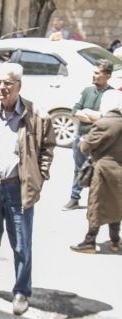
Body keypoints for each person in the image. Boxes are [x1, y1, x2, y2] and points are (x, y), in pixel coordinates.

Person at [0, 62, 56, 316]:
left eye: (7, 83)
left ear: (19, 85)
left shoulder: (37, 115)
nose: (2, 87)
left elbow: (48, 147)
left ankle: (21, 291)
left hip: (19, 190)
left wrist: (41, 176)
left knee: (21, 245)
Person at [70, 100, 122, 253]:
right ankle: (115, 241)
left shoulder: (104, 123)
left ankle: (89, 241)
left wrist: (82, 142)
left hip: (103, 170)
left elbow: (85, 148)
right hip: (119, 170)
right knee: (116, 205)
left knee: (96, 205)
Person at [63, 59, 114, 211]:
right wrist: (91, 116)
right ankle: (74, 198)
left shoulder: (111, 95)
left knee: (99, 171)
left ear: (107, 76)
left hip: (100, 140)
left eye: (97, 73)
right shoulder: (86, 91)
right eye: (94, 72)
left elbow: (107, 118)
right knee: (79, 169)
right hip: (81, 137)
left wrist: (90, 115)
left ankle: (97, 201)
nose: (94, 76)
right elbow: (75, 110)